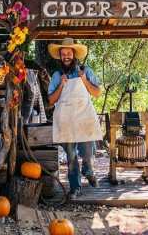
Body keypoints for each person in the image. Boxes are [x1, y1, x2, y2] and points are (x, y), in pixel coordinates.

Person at [47, 38, 102, 199]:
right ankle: (75, 188)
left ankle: (88, 170)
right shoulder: (57, 75)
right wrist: (61, 85)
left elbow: (97, 93)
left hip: (84, 118)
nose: (66, 56)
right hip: (66, 121)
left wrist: (84, 80)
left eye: (69, 53)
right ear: (60, 56)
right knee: (71, 157)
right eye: (63, 54)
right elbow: (51, 100)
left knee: (87, 152)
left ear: (74, 54)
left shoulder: (86, 71)